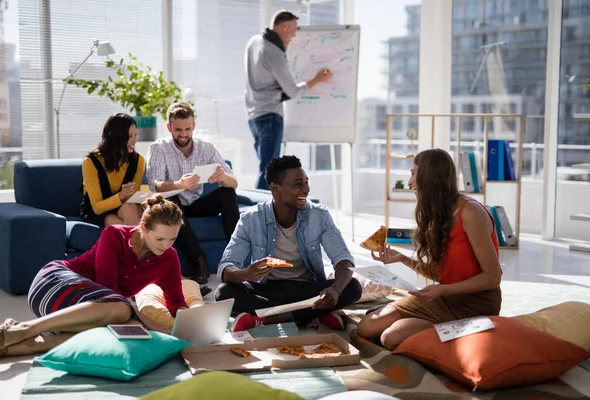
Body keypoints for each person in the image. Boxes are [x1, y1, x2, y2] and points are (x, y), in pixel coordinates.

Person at [0, 195, 191, 360]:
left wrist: (190, 320)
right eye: (159, 238)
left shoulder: (169, 258)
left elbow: (176, 302)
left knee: (134, 330)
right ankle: (26, 328)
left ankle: (32, 345)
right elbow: (109, 290)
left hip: (87, 311)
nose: (165, 245)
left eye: (172, 239)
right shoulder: (115, 235)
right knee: (123, 311)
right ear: (143, 228)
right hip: (54, 283)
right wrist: (151, 322)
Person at [357, 149, 502, 350]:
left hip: (475, 304)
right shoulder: (438, 213)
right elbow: (441, 275)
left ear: (430, 177)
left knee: (391, 338)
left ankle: (461, 331)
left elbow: (492, 277)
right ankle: (440, 329)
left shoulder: (470, 212)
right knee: (366, 327)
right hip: (444, 298)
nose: (409, 182)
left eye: (413, 173)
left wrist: (443, 289)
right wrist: (402, 258)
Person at [215, 156, 362, 332]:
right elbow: (226, 267)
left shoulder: (319, 215)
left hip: (306, 289)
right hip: (267, 289)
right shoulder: (251, 219)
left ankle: (266, 319)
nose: (306, 189)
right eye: (298, 184)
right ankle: (311, 315)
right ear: (275, 189)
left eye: (307, 183)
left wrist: (336, 290)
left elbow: (343, 259)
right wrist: (246, 273)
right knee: (223, 293)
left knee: (352, 287)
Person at [146, 102, 240, 287]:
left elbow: (234, 182)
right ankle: (199, 261)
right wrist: (179, 184)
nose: (183, 134)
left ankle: (235, 258)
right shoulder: (158, 148)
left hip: (197, 204)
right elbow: (154, 184)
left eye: (188, 129)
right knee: (170, 200)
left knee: (227, 193)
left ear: (193, 126)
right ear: (169, 127)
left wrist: (223, 177)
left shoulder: (207, 149)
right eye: (178, 129)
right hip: (174, 207)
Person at [245, 10, 333, 189]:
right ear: (284, 25)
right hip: (270, 115)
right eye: (293, 29)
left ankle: (262, 212)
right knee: (270, 173)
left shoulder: (253, 42)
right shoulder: (274, 52)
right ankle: (261, 215)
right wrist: (316, 79)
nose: (294, 34)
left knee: (265, 168)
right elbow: (292, 91)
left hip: (253, 117)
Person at [80, 113, 144, 227]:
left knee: (130, 208)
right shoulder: (91, 162)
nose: (134, 141)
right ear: (116, 137)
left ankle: (134, 243)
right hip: (97, 212)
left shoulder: (138, 161)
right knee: (128, 228)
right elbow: (97, 208)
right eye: (129, 136)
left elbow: (132, 200)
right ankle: (138, 243)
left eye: (135, 135)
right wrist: (120, 196)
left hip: (125, 208)